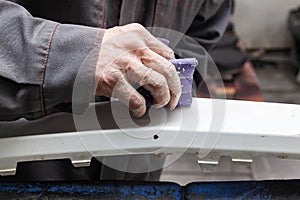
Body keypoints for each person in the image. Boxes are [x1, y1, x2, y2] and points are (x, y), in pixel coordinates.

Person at [0, 0, 232, 181]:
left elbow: (201, 33)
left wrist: (171, 91)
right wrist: (73, 56)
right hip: (18, 169)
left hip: (137, 177)